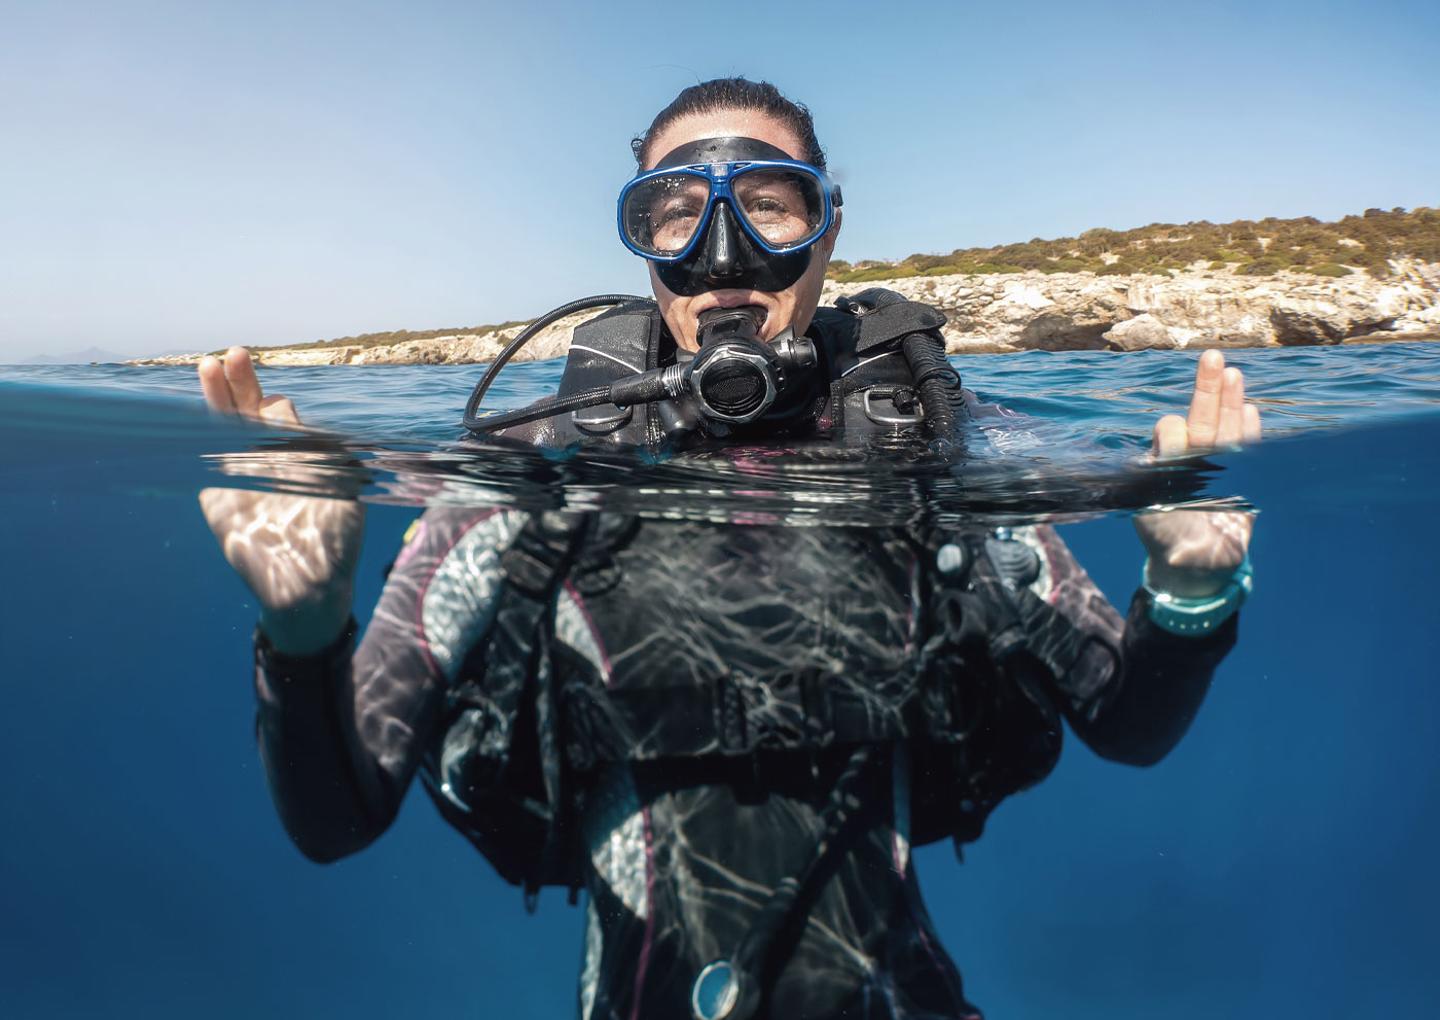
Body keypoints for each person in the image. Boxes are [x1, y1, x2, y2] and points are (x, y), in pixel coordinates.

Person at [199, 79, 1260, 1020]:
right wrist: (302, 627)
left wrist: (1189, 592)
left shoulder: (935, 445)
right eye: (673, 213)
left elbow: (1125, 722)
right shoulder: (531, 473)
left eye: (767, 202)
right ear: (642, 248)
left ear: (827, 231)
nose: (722, 258)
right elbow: (338, 819)